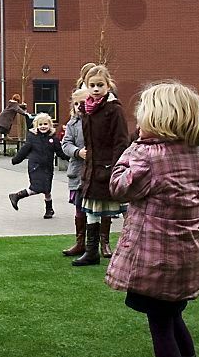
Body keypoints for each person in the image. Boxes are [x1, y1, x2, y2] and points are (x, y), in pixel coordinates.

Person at [106, 82, 199, 357]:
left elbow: (119, 188)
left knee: (161, 327)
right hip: (186, 255)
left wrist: (130, 150)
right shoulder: (197, 152)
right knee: (173, 318)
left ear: (158, 118)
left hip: (156, 259)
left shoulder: (147, 155)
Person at [73, 65, 129, 266]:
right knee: (90, 210)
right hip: (92, 168)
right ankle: (91, 251)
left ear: (108, 85)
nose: (96, 89)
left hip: (108, 168)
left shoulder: (114, 109)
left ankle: (131, 248)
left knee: (125, 210)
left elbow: (121, 141)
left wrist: (115, 168)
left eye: (100, 85)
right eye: (92, 85)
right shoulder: (87, 109)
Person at [8, 112, 62, 219]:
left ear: (50, 125)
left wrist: (70, 158)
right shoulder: (32, 137)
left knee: (47, 189)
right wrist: (16, 160)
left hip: (48, 168)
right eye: (40, 124)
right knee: (36, 188)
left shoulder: (53, 138)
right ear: (36, 126)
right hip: (35, 167)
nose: (43, 127)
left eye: (45, 124)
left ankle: (49, 209)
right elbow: (24, 150)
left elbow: (59, 151)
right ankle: (17, 196)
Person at [60, 88, 90, 256]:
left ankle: (103, 242)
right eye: (76, 103)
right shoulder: (72, 124)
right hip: (78, 171)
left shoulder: (97, 121)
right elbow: (66, 144)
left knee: (98, 208)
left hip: (96, 170)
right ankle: (80, 242)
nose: (80, 106)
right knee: (79, 208)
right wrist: (78, 152)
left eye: (83, 103)